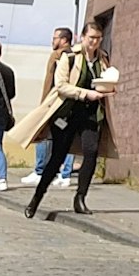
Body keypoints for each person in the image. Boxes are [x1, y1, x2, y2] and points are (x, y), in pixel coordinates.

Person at [26, 21, 110, 218]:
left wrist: (108, 88)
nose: (95, 42)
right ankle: (37, 197)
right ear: (83, 37)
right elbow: (61, 85)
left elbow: (105, 80)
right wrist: (85, 93)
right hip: (68, 112)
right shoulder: (70, 56)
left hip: (91, 113)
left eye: (98, 39)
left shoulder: (102, 59)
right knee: (57, 157)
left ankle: (80, 198)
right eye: (91, 38)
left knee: (91, 152)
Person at [33, 27, 74, 186]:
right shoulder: (74, 56)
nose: (52, 41)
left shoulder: (59, 55)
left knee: (44, 133)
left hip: (56, 103)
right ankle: (64, 173)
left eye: (55, 38)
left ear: (63, 40)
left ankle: (41, 170)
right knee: (65, 136)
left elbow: (52, 82)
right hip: (65, 103)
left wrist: (45, 102)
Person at [0, 40, 13, 192]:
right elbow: (12, 93)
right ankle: (2, 178)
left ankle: (1, 179)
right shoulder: (8, 71)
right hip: (1, 113)